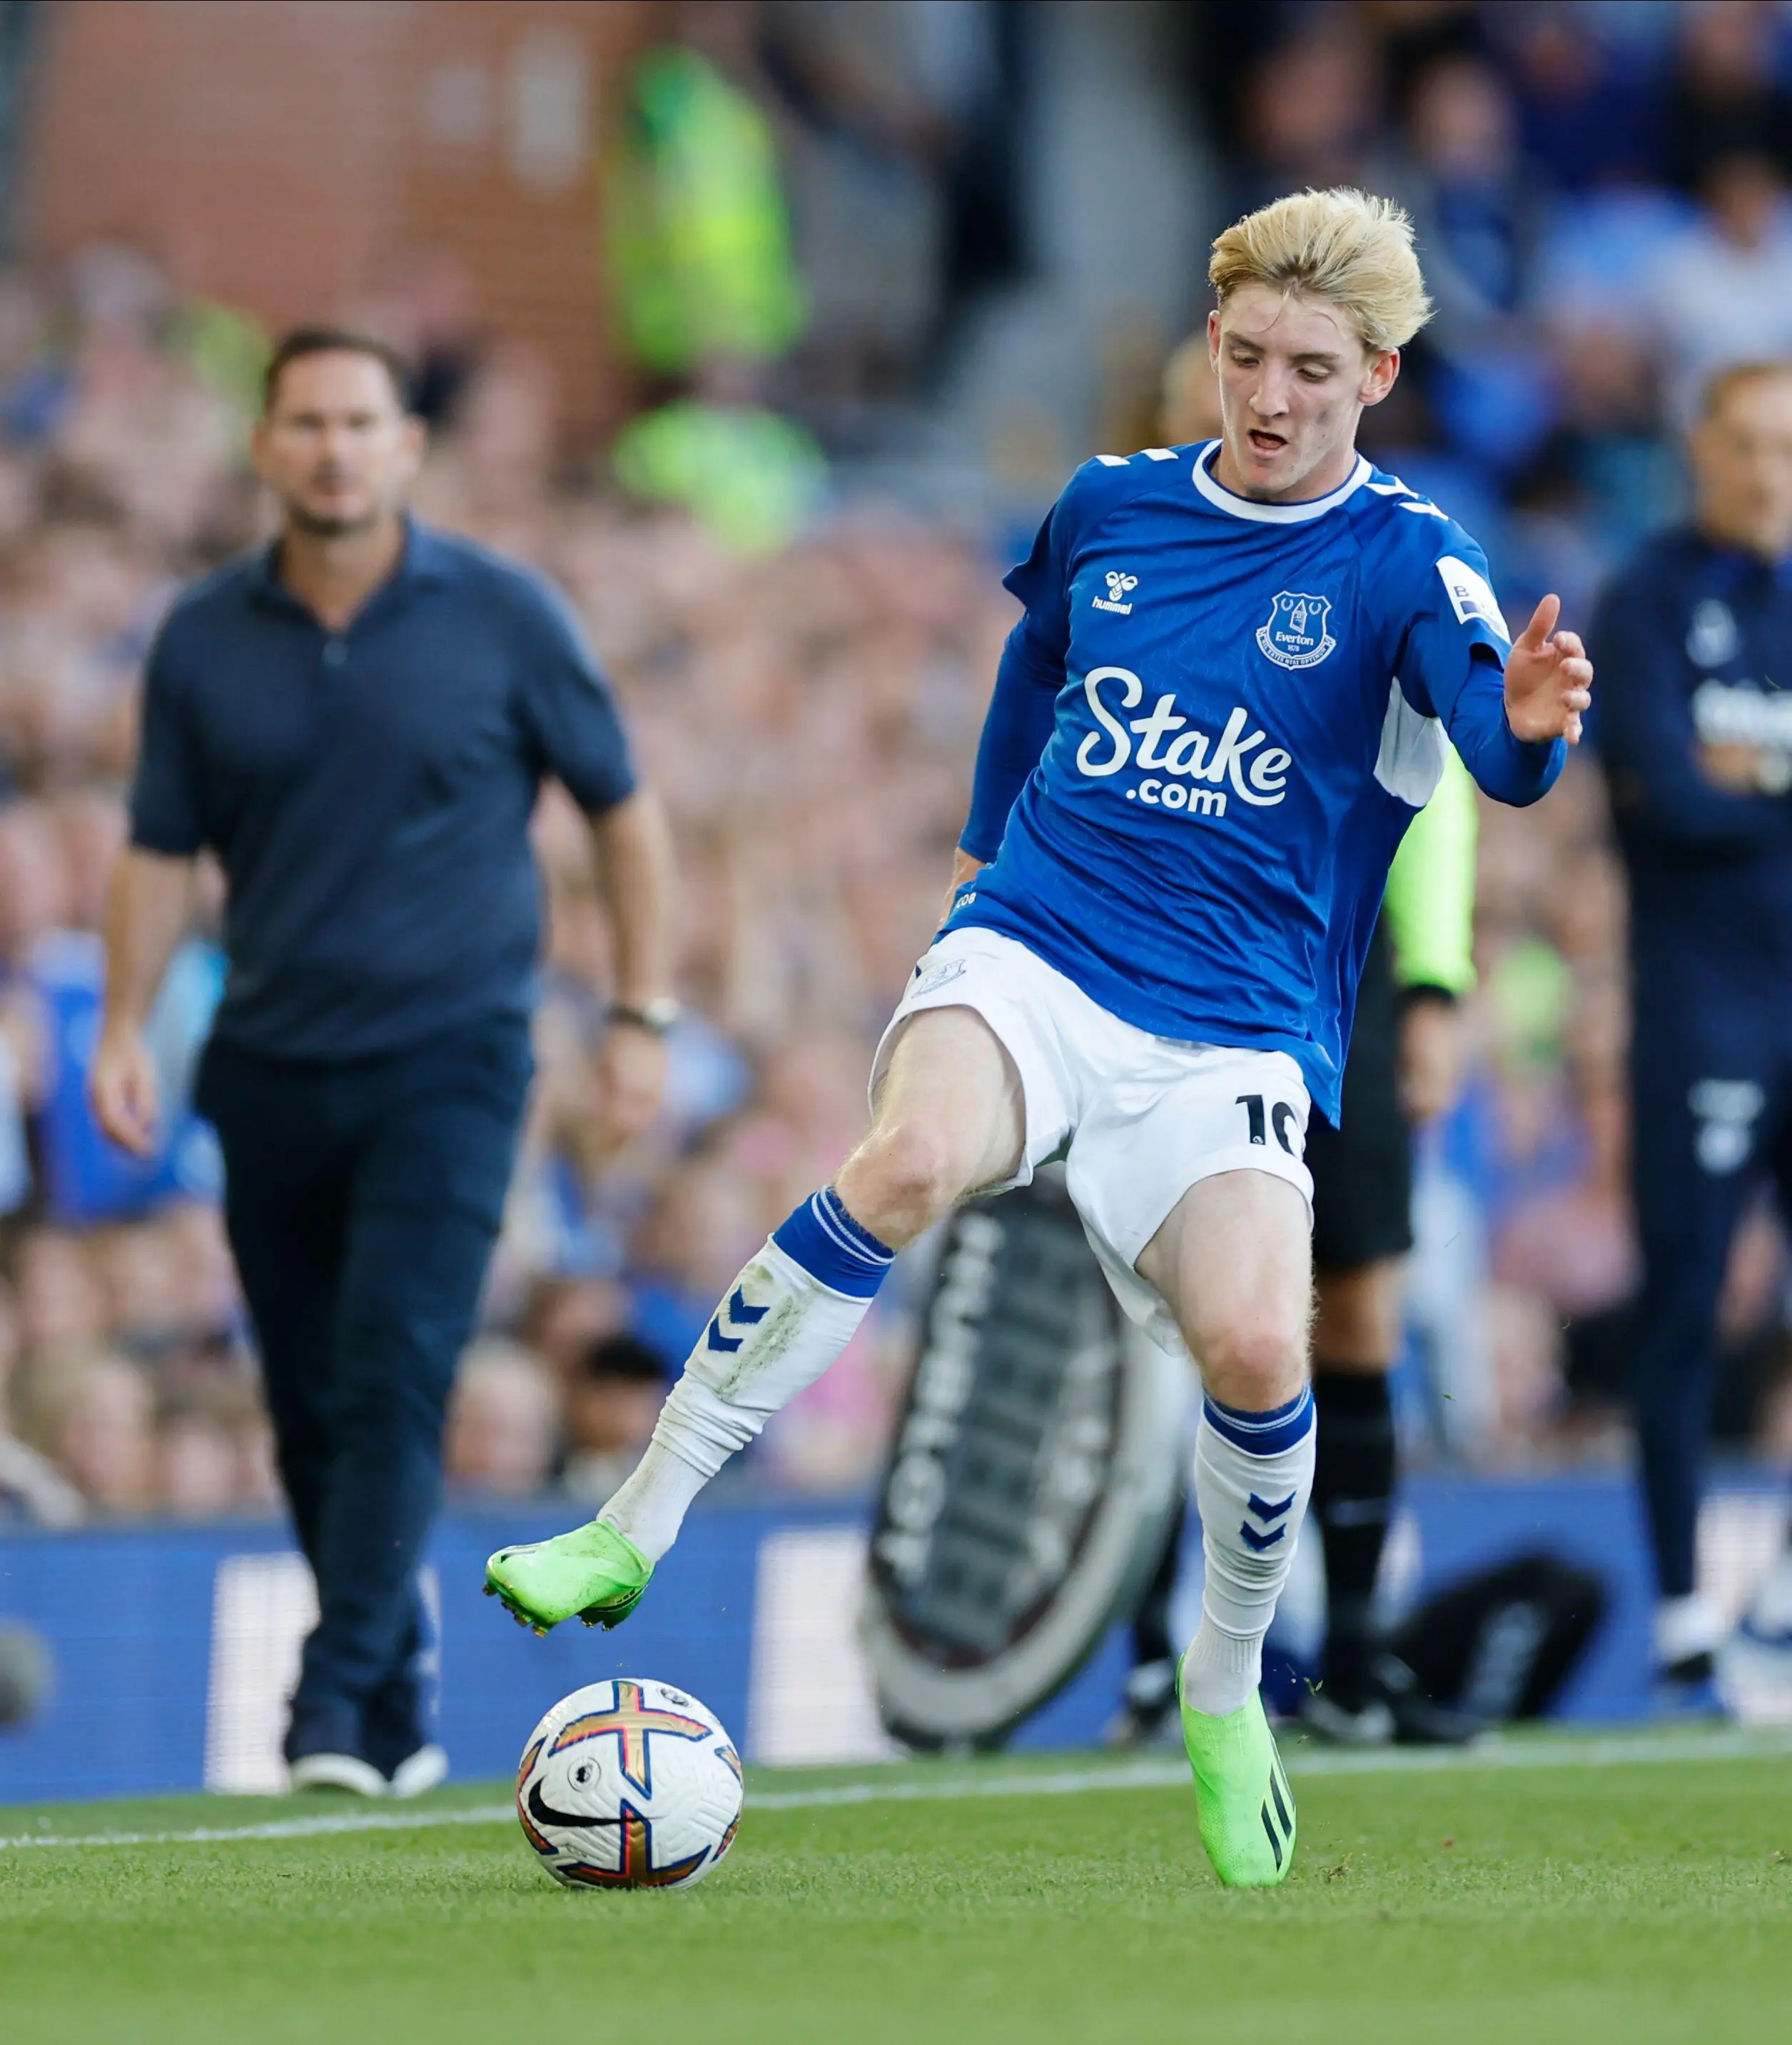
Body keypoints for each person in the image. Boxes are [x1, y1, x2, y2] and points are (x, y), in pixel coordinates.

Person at [488, 188, 1591, 1887]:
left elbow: (1494, 759)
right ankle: (629, 1527)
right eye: (1244, 356)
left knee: (1255, 1349)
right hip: (1040, 944)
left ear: (1376, 373)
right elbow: (1032, 675)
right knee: (908, 1158)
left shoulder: (1407, 559)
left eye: (1310, 367)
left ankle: (1224, 1691)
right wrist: (968, 875)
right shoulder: (1111, 507)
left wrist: (1522, 731)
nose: (1269, 396)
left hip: (1231, 1024)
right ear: (1209, 349)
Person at [90, 328, 676, 1797]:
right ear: (265, 446)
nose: (336, 448)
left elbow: (623, 811)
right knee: (307, 1409)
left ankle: (330, 1706)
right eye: (308, 423)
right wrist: (119, 1021)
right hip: (270, 1062)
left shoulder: (504, 615)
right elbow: (159, 851)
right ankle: (397, 1693)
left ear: (409, 446)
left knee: (397, 1365)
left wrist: (636, 1013)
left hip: (455, 1059)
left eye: (363, 421)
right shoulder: (203, 636)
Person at [1110, 333, 1484, 1752]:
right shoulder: (1126, 557)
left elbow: (1435, 782)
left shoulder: (1373, 558)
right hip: (1159, 955)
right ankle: (1157, 1650)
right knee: (1177, 1319)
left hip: (1344, 962)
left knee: (1361, 1302)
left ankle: (1358, 1656)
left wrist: (1436, 980)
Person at [1591, 358, 1792, 1705]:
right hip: (1699, 1009)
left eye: (1786, 447)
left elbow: (1720, 788)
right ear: (1699, 453)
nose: (1767, 472)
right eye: (1744, 445)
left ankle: (1773, 1607)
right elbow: (1663, 796)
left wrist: (1751, 774)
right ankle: (1678, 1622)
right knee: (1685, 1309)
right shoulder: (1647, 595)